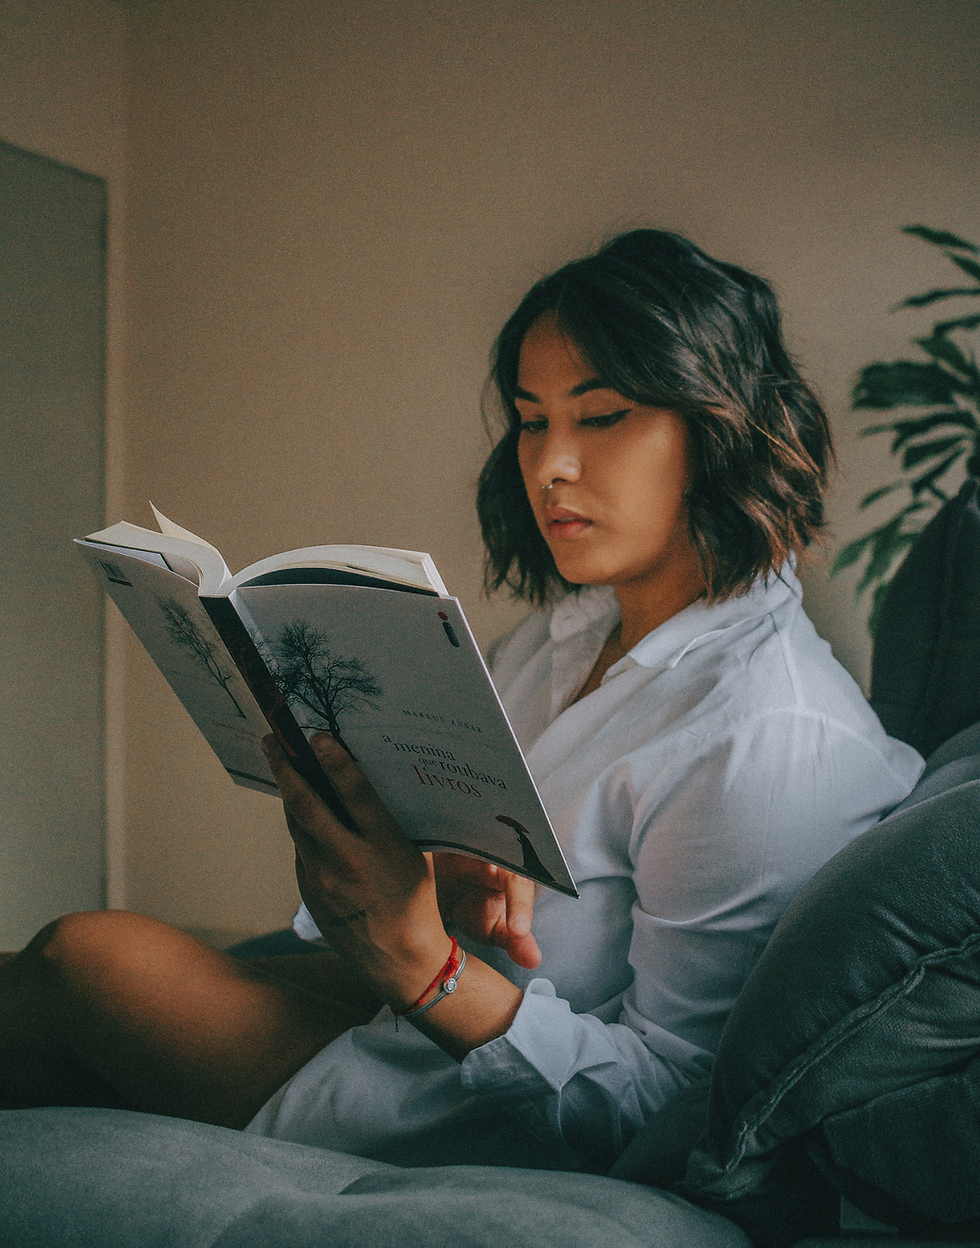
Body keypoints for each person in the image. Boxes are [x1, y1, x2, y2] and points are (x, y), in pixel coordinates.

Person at [0, 230, 922, 1175]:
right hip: (406, 1007)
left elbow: (679, 1111)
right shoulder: (565, 632)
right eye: (531, 421)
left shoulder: (771, 739)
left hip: (475, 1088)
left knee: (88, 958)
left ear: (722, 429)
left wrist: (424, 969)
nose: (550, 465)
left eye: (600, 416)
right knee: (33, 984)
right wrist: (410, 867)